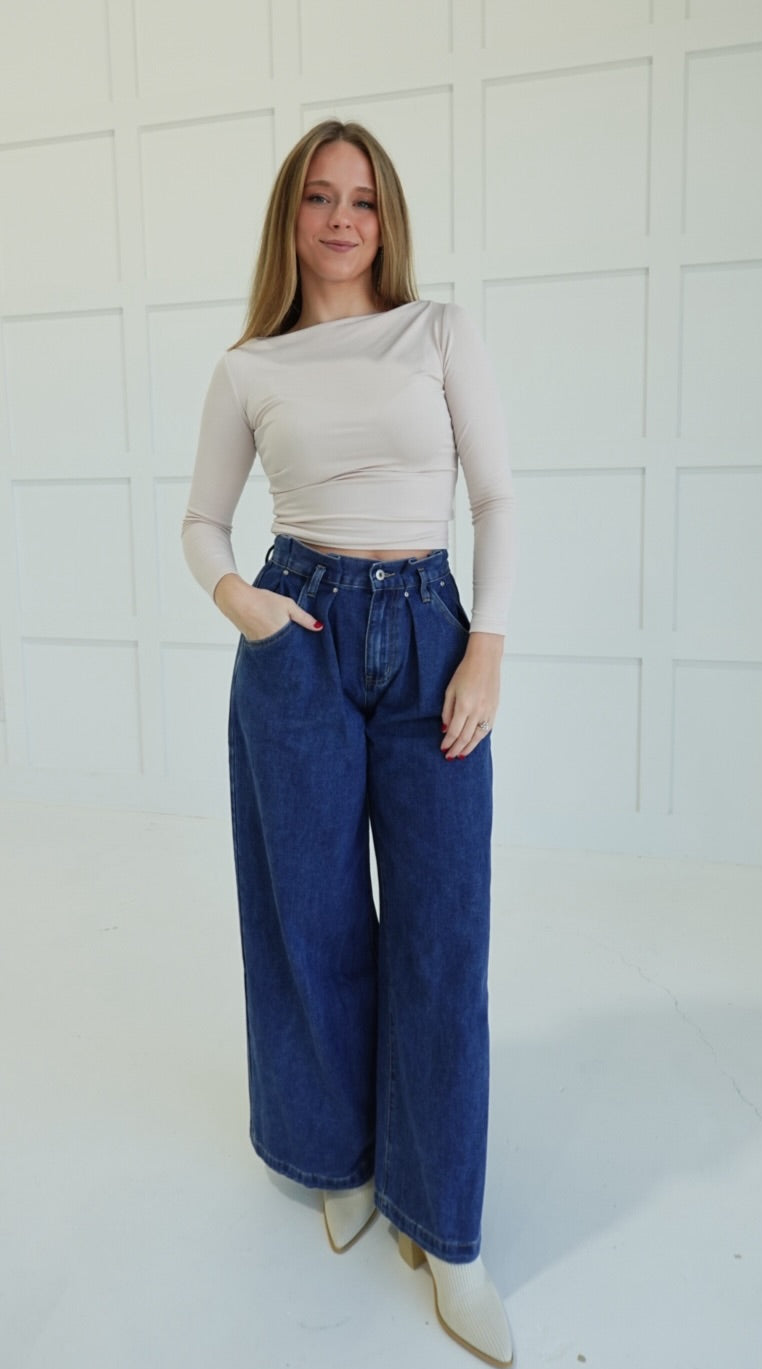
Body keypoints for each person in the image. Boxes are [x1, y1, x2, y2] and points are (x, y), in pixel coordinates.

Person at [181, 119, 516, 1367]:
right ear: (291, 216)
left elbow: (496, 495)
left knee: (443, 930)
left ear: (387, 219)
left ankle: (448, 1225)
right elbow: (202, 520)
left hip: (430, 631)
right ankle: (340, 1157)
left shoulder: (438, 331)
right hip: (300, 632)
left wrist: (486, 645)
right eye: (319, 197)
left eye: (362, 200)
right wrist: (245, 604)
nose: (340, 219)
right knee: (311, 915)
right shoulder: (250, 366)